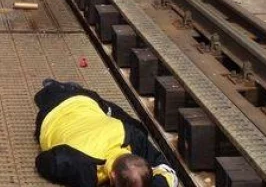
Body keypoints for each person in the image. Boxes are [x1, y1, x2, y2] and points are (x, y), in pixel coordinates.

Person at [34, 80, 178, 187]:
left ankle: (71, 89)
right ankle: (56, 87)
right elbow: (42, 162)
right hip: (52, 113)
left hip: (88, 102)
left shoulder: (133, 137)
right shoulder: (83, 167)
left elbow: (168, 172)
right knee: (48, 94)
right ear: (113, 176)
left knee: (137, 127)